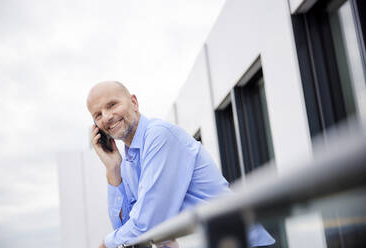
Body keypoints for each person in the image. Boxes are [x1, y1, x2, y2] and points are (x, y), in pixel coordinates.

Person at [86, 81, 275, 248]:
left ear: (134, 102)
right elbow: (127, 231)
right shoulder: (128, 161)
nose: (107, 116)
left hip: (239, 242)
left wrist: (106, 243)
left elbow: (148, 222)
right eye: (98, 115)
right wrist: (113, 170)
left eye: (112, 105)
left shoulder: (159, 136)